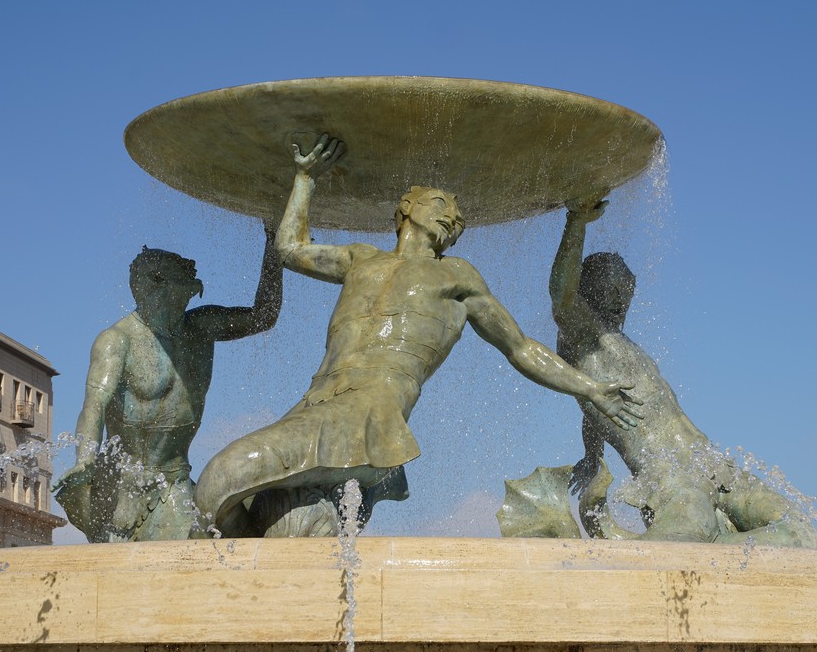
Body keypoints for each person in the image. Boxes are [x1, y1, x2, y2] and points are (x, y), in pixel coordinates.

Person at [195, 136, 644, 536]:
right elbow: (291, 248)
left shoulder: (457, 276)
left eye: (459, 214)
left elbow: (521, 347)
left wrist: (589, 388)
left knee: (219, 480)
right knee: (254, 517)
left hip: (370, 412)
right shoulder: (360, 258)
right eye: (442, 205)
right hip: (316, 404)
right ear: (407, 209)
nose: (456, 217)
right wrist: (305, 178)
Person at [549, 196, 817, 547]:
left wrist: (592, 454)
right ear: (588, 289)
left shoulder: (623, 345)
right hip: (668, 479)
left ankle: (713, 544)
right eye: (612, 290)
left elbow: (597, 410)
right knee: (680, 549)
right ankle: (691, 543)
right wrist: (577, 222)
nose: (621, 300)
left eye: (627, 292)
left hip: (712, 464)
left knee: (799, 532)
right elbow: (561, 297)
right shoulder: (587, 339)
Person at [54, 230, 284, 542]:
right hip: (131, 487)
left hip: (178, 480)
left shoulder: (203, 326)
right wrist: (84, 460)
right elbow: (93, 407)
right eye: (184, 279)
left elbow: (264, 316)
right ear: (155, 284)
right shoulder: (117, 341)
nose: (194, 285)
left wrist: (274, 247)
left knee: (251, 538)